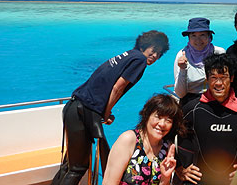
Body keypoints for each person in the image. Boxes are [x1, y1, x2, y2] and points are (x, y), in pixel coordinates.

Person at [52, 30, 170, 185]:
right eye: (153, 51)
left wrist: (105, 111)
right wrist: (106, 114)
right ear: (144, 46)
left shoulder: (129, 54)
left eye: (159, 54)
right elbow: (117, 88)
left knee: (69, 165)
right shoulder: (139, 59)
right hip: (84, 111)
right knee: (78, 168)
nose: (155, 56)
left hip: (74, 107)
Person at [174, 53, 237, 185]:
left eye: (223, 77)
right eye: (213, 77)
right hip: (196, 181)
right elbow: (167, 137)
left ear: (232, 78)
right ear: (207, 78)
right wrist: (179, 167)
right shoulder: (192, 109)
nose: (218, 83)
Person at [103, 94, 185, 185]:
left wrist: (165, 178)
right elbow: (109, 182)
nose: (162, 124)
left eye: (168, 121)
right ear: (147, 116)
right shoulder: (129, 140)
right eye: (158, 117)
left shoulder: (167, 148)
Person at [174, 17, 225, 106]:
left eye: (202, 35)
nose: (198, 40)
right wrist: (183, 69)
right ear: (189, 38)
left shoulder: (219, 53)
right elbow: (180, 94)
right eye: (193, 35)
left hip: (215, 99)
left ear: (209, 37)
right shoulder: (182, 55)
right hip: (190, 101)